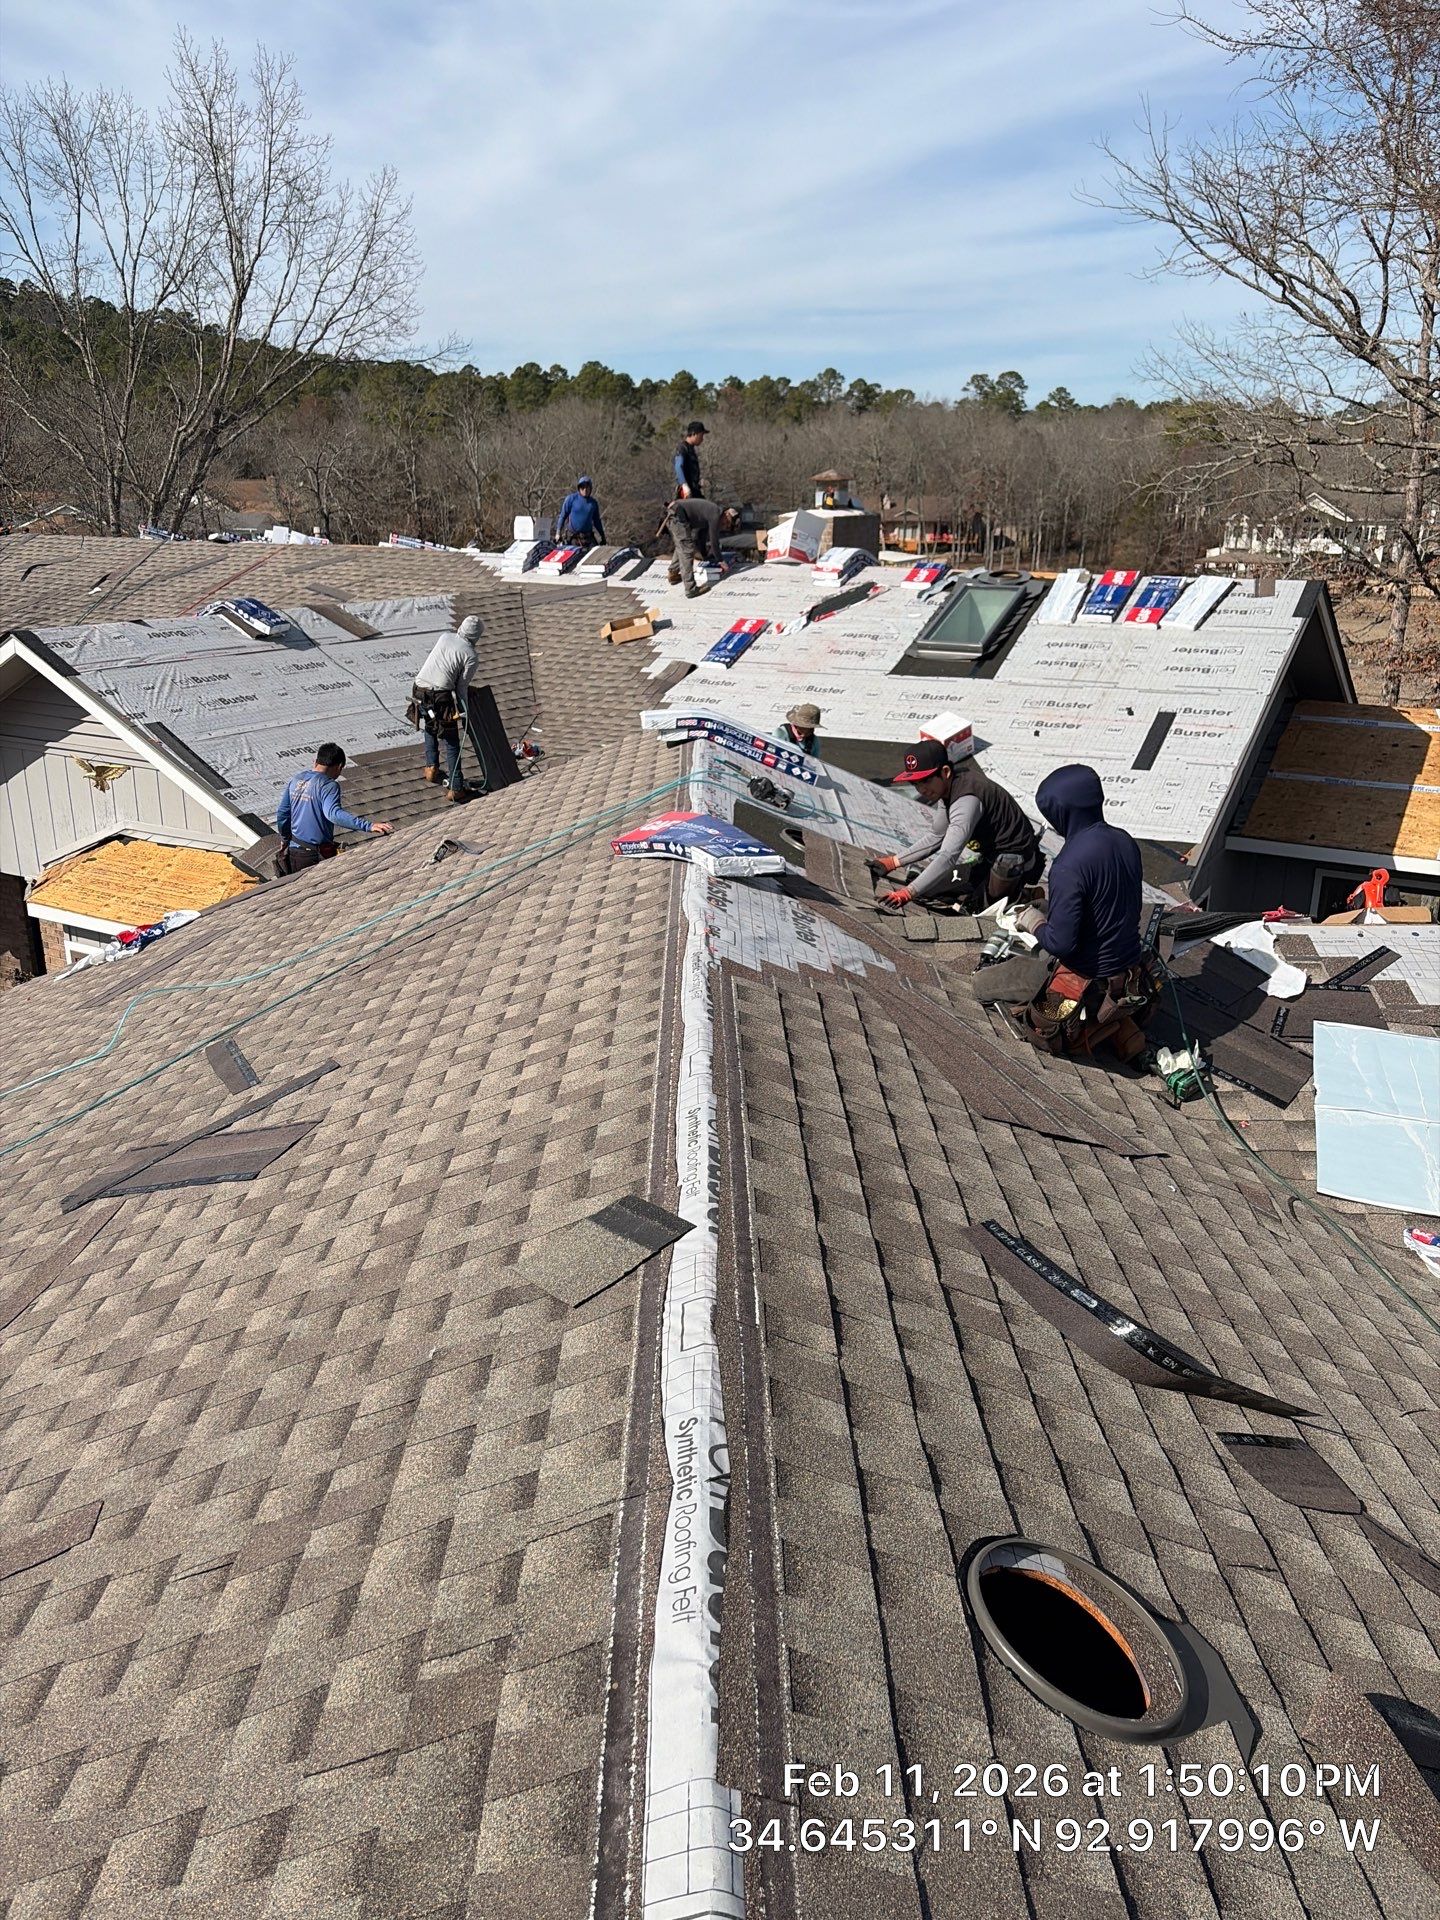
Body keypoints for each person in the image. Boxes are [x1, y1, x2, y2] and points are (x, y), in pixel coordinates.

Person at [1001, 764, 1157, 1053]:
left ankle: (1095, 1025)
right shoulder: (1125, 841)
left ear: (1061, 813)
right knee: (1045, 907)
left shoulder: (1068, 865)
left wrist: (1033, 922)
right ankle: (1116, 1021)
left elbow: (1061, 944)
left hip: (1085, 979)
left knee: (985, 984)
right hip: (1127, 968)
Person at [873, 740, 1043, 910]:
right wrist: (892, 862)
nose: (921, 789)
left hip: (1015, 861)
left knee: (981, 908)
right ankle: (991, 889)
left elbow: (948, 855)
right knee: (928, 891)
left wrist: (908, 893)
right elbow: (937, 836)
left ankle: (1023, 896)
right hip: (989, 858)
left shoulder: (966, 799)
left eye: (925, 780)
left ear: (945, 772)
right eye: (915, 783)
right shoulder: (947, 789)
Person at [276, 745, 391, 873]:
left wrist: (285, 839)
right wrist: (368, 826)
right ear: (339, 766)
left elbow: (282, 813)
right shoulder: (328, 785)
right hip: (313, 855)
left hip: (295, 851)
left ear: (315, 761)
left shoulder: (297, 779)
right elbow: (333, 814)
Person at [412, 615, 481, 801]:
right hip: (439, 696)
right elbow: (461, 688)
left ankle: (431, 768)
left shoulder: (445, 637)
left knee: (430, 726)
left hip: (420, 689)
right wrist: (465, 713)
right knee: (451, 741)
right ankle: (456, 787)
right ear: (476, 636)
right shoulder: (471, 655)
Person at [665, 498, 738, 596]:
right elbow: (714, 541)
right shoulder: (715, 515)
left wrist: (705, 555)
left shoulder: (711, 514)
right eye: (727, 523)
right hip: (678, 514)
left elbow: (701, 536)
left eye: (728, 526)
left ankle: (673, 574)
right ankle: (690, 589)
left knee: (682, 546)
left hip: (676, 513)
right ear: (726, 514)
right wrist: (721, 561)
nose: (725, 526)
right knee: (687, 551)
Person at [556, 476, 606, 548]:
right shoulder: (571, 499)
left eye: (587, 487)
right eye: (583, 487)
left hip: (588, 537)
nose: (585, 490)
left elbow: (597, 521)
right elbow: (562, 516)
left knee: (596, 552)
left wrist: (602, 536)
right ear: (579, 488)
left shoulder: (593, 503)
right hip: (573, 537)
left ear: (590, 489)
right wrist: (558, 533)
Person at [673, 421, 707, 499]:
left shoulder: (691, 449)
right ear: (694, 434)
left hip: (695, 491)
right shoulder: (682, 448)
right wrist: (684, 485)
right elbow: (678, 466)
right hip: (686, 493)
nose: (702, 439)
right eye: (701, 435)